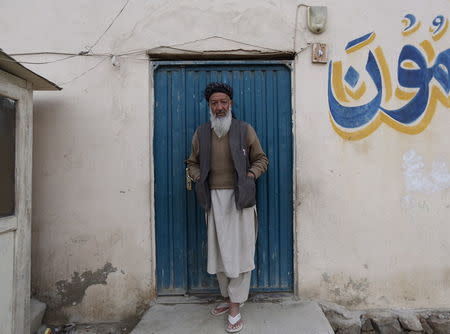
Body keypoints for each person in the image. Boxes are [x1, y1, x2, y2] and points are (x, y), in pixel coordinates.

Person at [187, 82, 268, 333]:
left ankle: (235, 305)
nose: (219, 107)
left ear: (230, 104)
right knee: (220, 252)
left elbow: (261, 159)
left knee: (241, 252)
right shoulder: (201, 133)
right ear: (209, 106)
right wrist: (198, 176)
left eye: (223, 102)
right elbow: (192, 163)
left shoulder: (244, 130)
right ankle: (226, 297)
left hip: (240, 200)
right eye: (214, 103)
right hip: (213, 200)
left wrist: (250, 176)